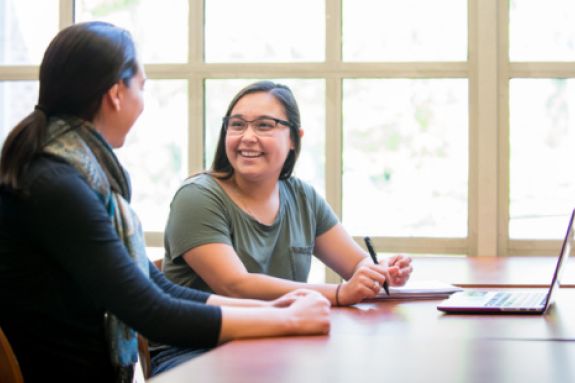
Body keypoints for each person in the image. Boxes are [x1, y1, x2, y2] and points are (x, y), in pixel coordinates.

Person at [0, 23, 330, 383]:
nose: (143, 101)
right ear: (115, 94)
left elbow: (159, 287)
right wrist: (288, 318)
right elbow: (150, 311)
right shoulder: (57, 185)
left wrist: (274, 309)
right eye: (141, 88)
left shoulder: (70, 173)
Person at [162, 80, 413, 307]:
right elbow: (235, 286)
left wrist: (377, 273)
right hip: (198, 350)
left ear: (294, 138)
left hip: (276, 339)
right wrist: (337, 293)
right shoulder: (196, 197)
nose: (248, 137)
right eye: (237, 125)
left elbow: (356, 263)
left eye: (264, 126)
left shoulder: (302, 196)